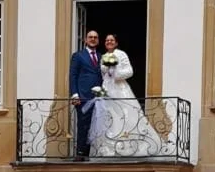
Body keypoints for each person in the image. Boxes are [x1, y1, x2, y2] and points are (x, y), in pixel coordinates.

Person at [90, 35, 167, 157]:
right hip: (108, 89)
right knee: (109, 117)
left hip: (120, 89)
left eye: (112, 40)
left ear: (116, 43)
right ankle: (109, 150)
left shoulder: (121, 54)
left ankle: (128, 148)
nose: (109, 42)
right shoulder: (104, 56)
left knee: (125, 116)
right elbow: (103, 74)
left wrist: (116, 71)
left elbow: (129, 71)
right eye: (107, 40)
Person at [68, 28, 103, 158]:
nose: (93, 39)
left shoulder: (101, 57)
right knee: (84, 125)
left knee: (97, 125)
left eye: (95, 37)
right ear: (85, 40)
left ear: (98, 40)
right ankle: (81, 153)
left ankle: (94, 152)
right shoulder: (78, 56)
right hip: (83, 97)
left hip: (99, 98)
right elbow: (73, 75)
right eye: (90, 37)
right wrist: (74, 94)